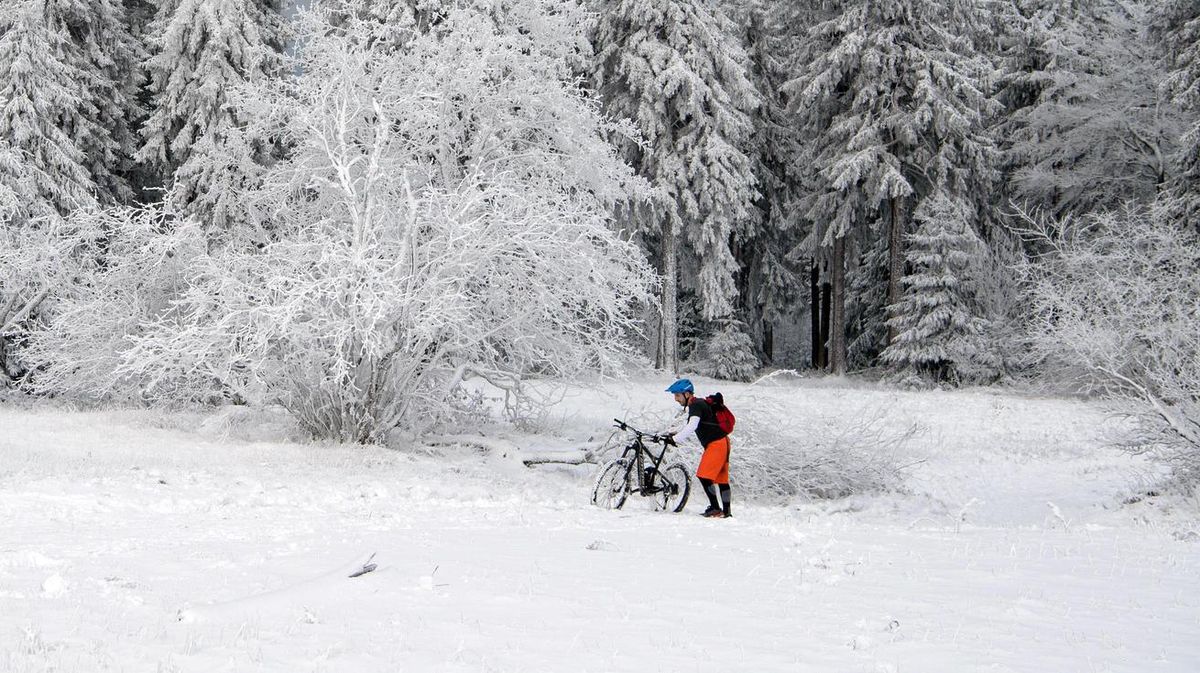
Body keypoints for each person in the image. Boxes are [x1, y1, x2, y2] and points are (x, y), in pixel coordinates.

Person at [665, 378, 732, 518]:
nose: (675, 399)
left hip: (717, 444)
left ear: (687, 394)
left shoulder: (696, 405)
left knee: (703, 475)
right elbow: (692, 425)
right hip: (722, 442)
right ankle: (726, 512)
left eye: (677, 395)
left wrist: (675, 439)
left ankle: (715, 508)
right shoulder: (699, 404)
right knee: (721, 479)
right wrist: (675, 434)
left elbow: (692, 425)